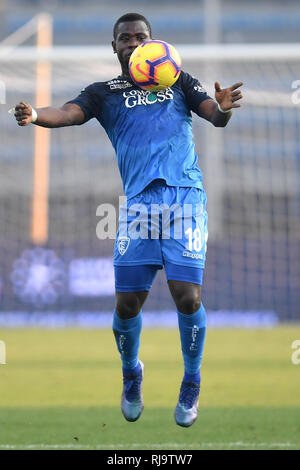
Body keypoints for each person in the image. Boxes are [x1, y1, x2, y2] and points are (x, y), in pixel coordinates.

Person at [13, 12, 243, 427]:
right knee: (126, 304)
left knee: (187, 297)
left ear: (154, 44)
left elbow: (214, 113)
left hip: (184, 199)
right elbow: (67, 112)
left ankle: (191, 382)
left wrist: (224, 110)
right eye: (125, 38)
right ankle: (131, 373)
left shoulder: (178, 81)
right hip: (138, 206)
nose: (134, 44)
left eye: (141, 37)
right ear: (114, 46)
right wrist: (35, 116)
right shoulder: (105, 93)